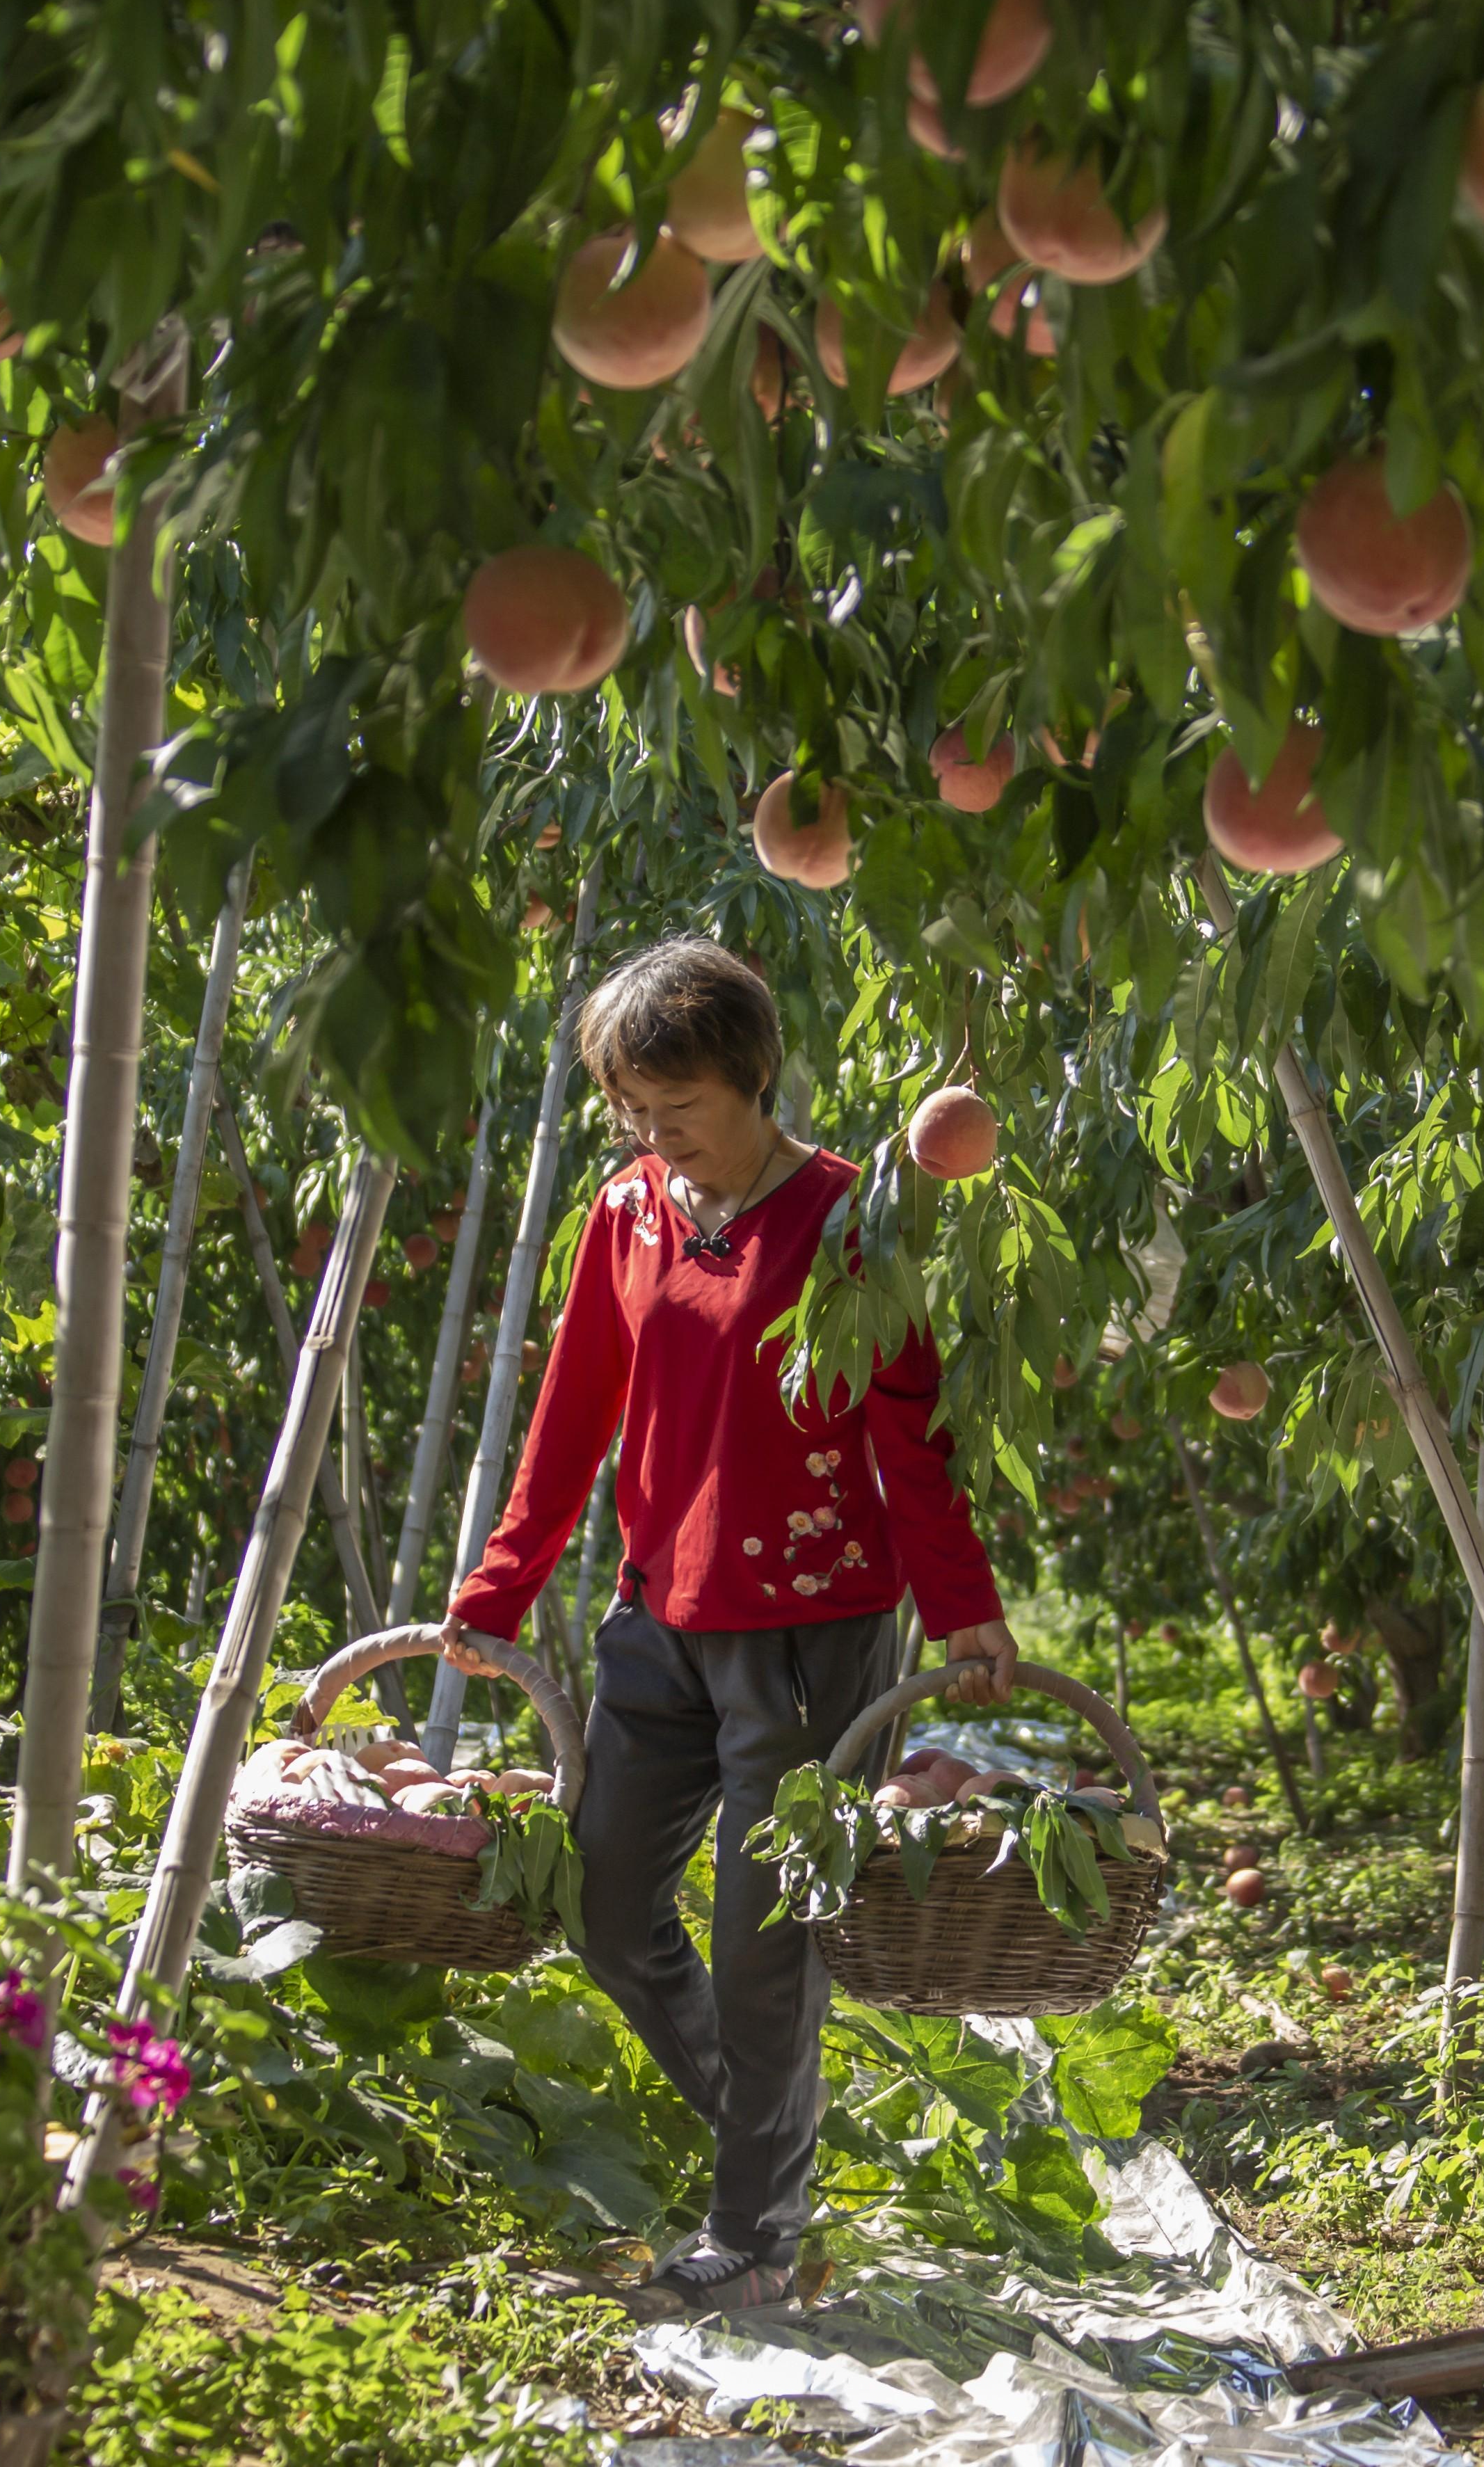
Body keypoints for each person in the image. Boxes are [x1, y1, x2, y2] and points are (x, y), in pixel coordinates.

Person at [438, 934, 1015, 2312]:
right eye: (632, 1110)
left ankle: (755, 2226)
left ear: (752, 1081)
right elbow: (573, 1417)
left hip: (816, 1636)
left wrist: (965, 1608)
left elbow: (911, 1434)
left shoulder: (847, 1219)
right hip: (659, 1618)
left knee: (767, 1943)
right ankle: (772, 2153)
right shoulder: (626, 1214)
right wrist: (501, 1586)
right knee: (608, 1899)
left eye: (678, 1110)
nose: (655, 1136)